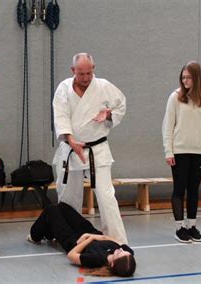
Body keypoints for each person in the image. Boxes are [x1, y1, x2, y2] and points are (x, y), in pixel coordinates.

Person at [52, 53, 128, 244]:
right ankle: (68, 239)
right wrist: (71, 140)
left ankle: (117, 241)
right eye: (81, 74)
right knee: (68, 198)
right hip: (71, 150)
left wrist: (108, 113)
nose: (85, 78)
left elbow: (121, 105)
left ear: (93, 68)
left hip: (97, 150)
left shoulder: (103, 86)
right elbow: (60, 117)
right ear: (73, 71)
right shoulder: (63, 88)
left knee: (106, 197)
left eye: (88, 73)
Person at [162, 61, 201, 243]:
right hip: (179, 151)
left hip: (199, 151)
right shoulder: (175, 97)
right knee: (179, 189)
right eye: (183, 77)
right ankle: (180, 228)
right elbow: (167, 127)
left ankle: (191, 225)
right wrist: (168, 151)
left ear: (197, 78)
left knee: (194, 190)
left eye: (188, 77)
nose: (185, 80)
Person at [28, 202, 136, 277]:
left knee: (51, 210)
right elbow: (117, 242)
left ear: (112, 264)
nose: (120, 250)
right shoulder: (127, 254)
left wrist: (88, 239)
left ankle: (34, 236)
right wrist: (97, 236)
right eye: (123, 251)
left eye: (119, 253)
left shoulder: (96, 259)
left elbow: (71, 255)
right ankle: (49, 233)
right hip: (89, 232)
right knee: (63, 207)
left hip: (74, 241)